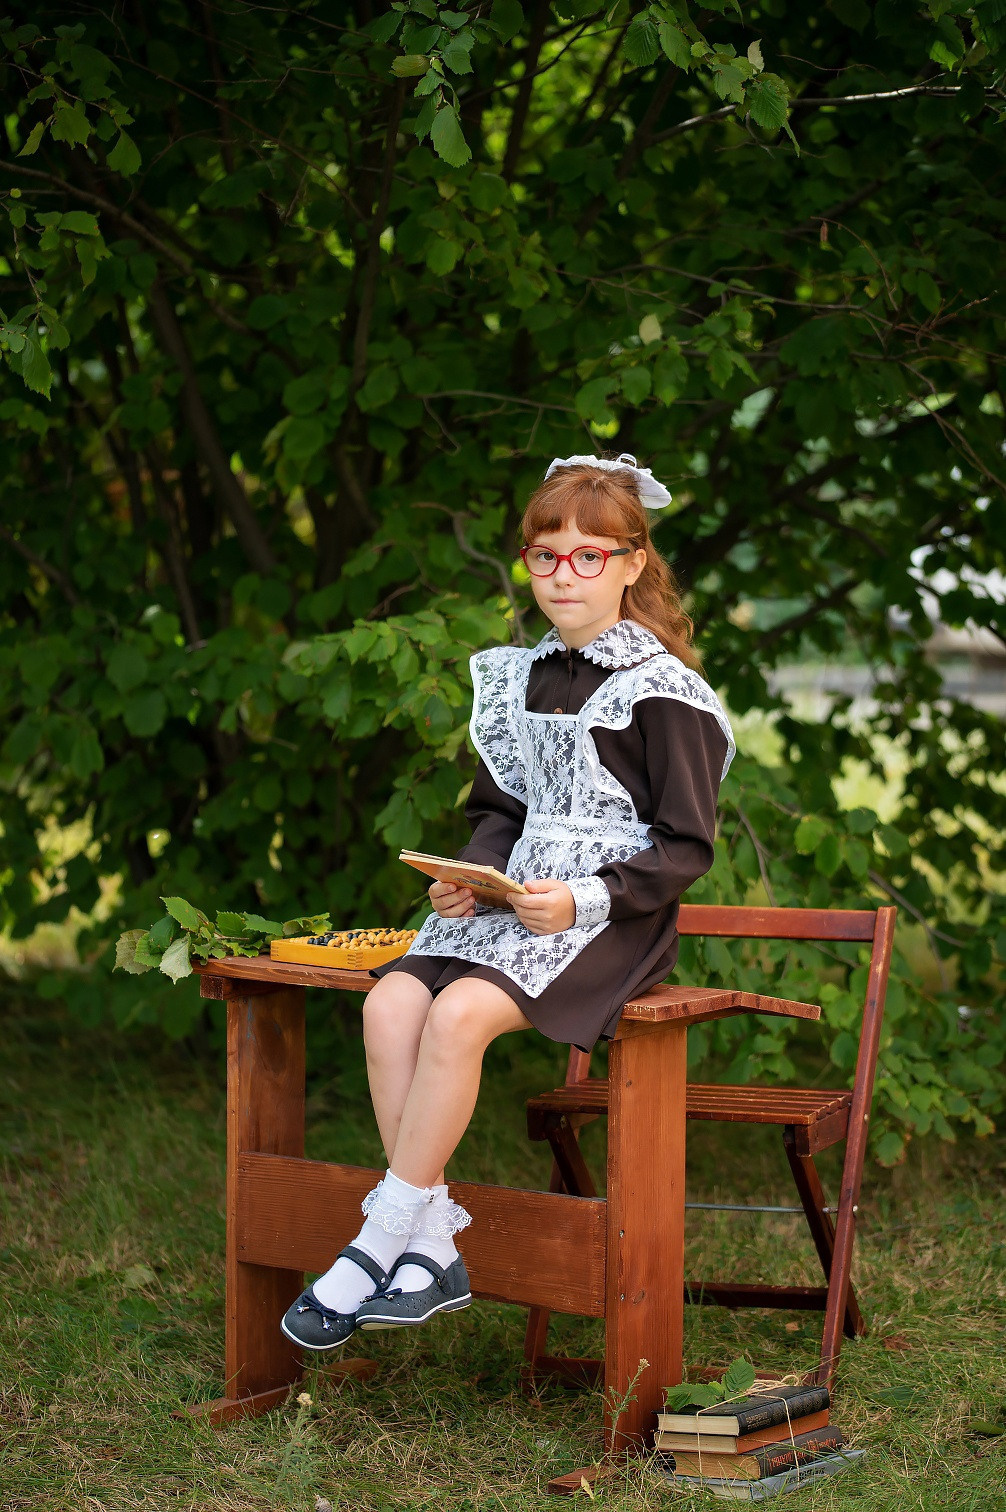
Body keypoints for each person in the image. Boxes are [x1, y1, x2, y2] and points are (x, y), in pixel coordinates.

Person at [280, 452, 735, 1350]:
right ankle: (433, 1243)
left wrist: (586, 899)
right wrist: (469, 876)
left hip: (610, 918)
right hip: (515, 893)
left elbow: (687, 846)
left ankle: (382, 1239)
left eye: (589, 556)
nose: (564, 575)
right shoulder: (525, 675)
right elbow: (501, 813)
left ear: (633, 564)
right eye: (545, 556)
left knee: (457, 1018)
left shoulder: (662, 690)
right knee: (390, 1003)